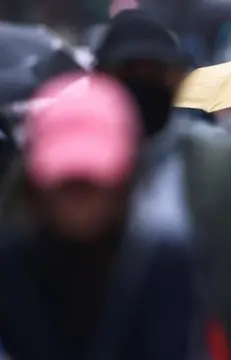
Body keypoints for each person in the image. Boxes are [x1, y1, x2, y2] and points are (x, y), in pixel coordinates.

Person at [0, 73, 194, 360]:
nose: (79, 203)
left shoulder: (163, 269)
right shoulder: (10, 269)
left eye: (92, 183)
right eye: (67, 184)